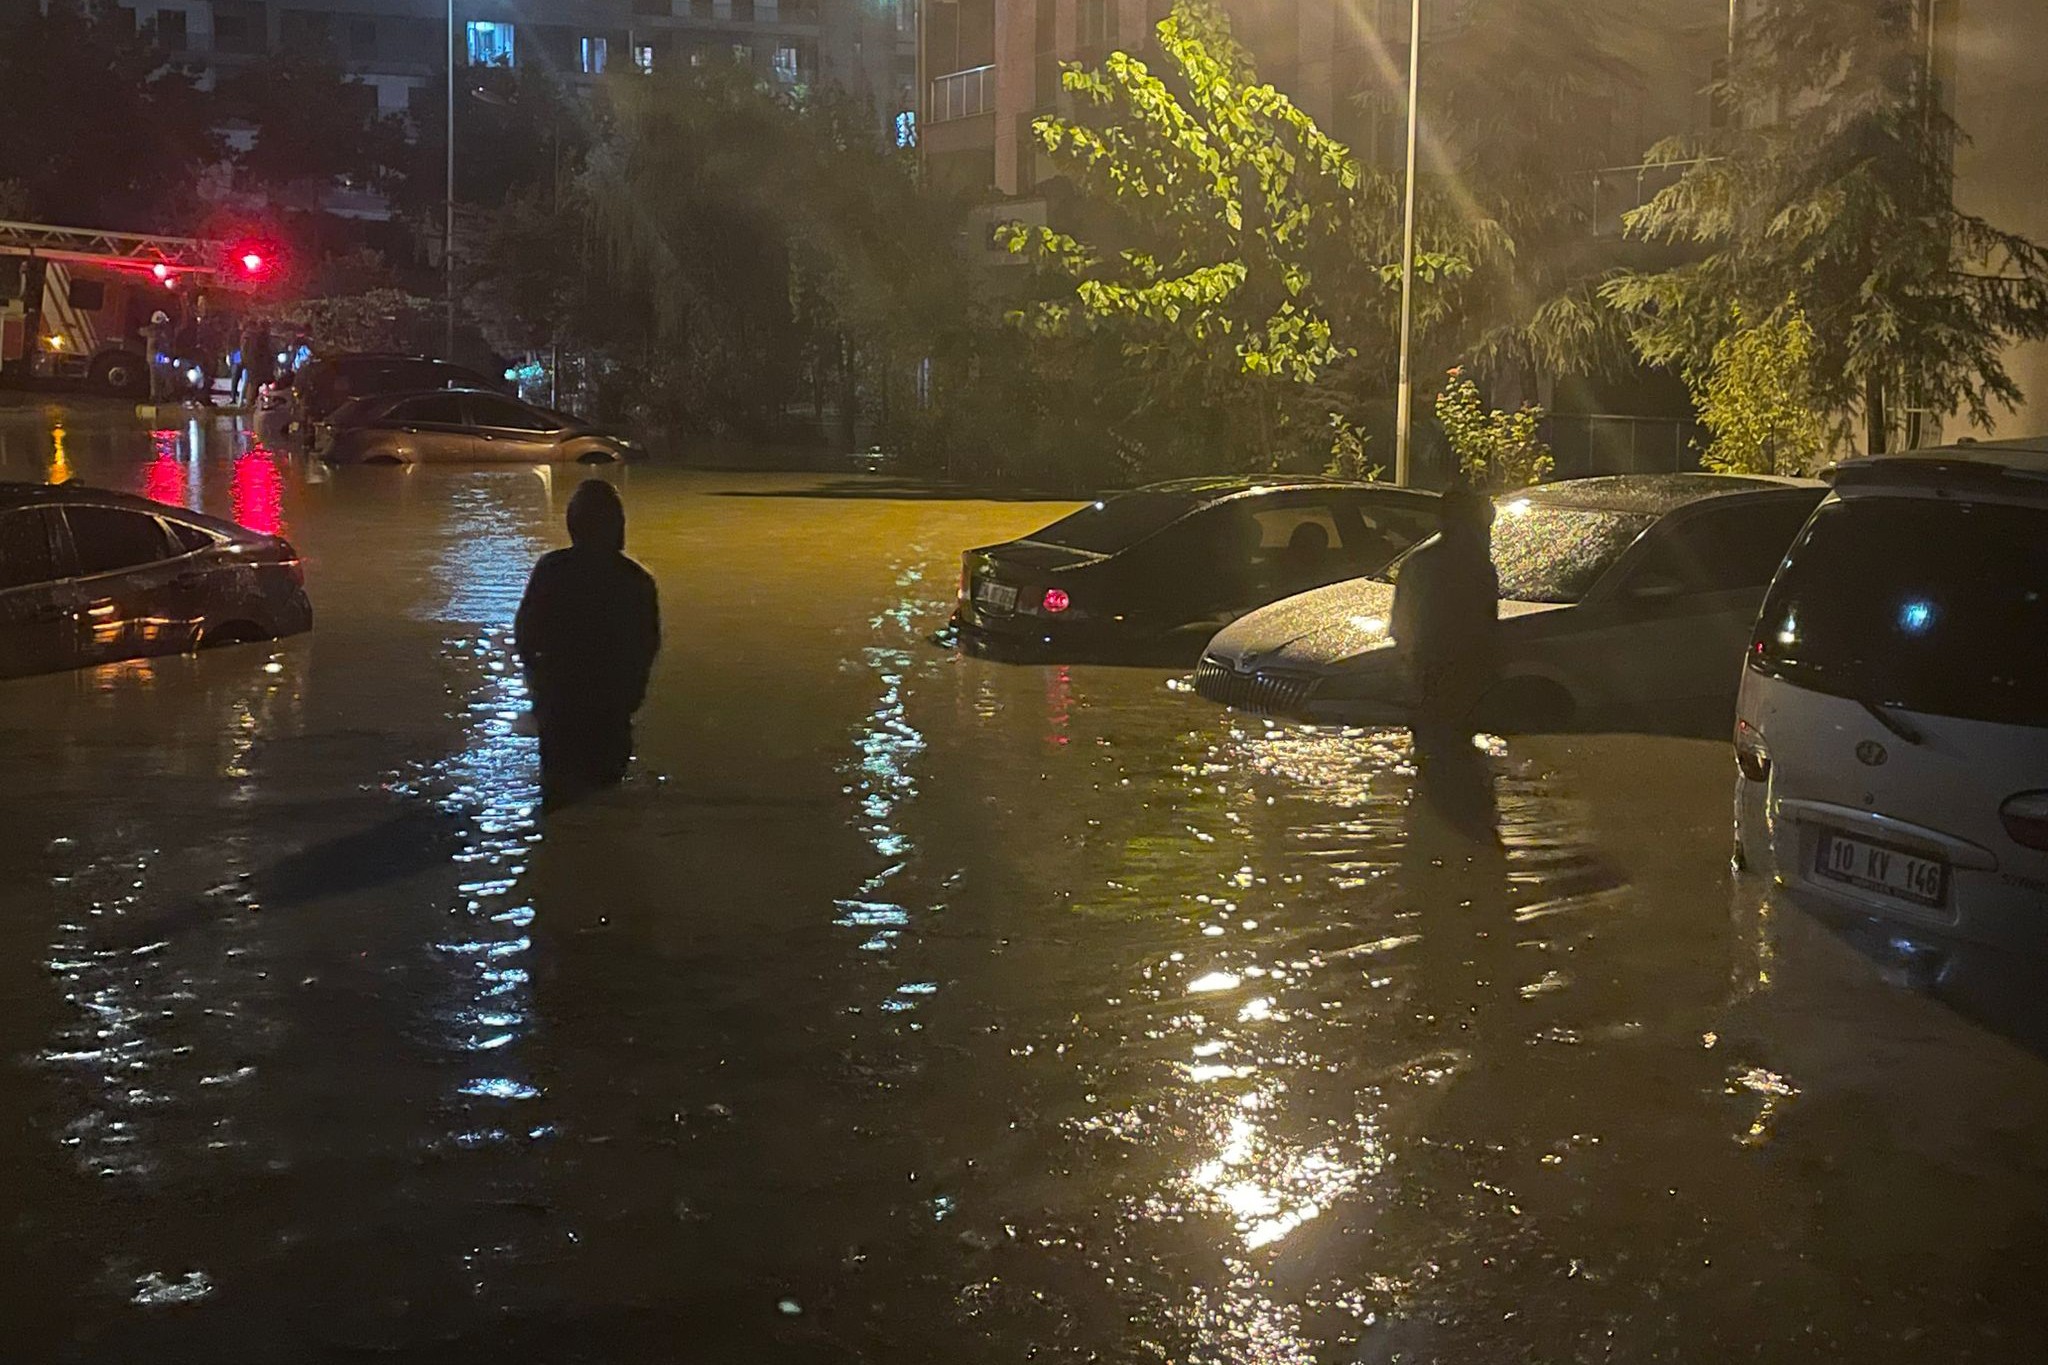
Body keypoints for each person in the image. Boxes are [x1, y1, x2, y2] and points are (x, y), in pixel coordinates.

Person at [514, 480, 662, 808]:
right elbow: (647, 645)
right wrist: (631, 695)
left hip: (560, 708)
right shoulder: (636, 581)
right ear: (618, 526)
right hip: (609, 710)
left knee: (558, 802)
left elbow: (525, 633)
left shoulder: (552, 570)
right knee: (606, 803)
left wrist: (538, 685)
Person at [1391, 483, 1501, 838]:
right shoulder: (1477, 568)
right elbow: (1486, 630)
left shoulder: (1418, 564)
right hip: (1461, 683)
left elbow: (1400, 630)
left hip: (1428, 683)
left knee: (1434, 774)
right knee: (1463, 773)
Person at [141, 310, 175, 403]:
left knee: (156, 381)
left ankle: (157, 397)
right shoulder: (157, 334)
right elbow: (157, 348)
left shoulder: (151, 332)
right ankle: (160, 397)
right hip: (158, 361)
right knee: (161, 380)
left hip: (154, 360)